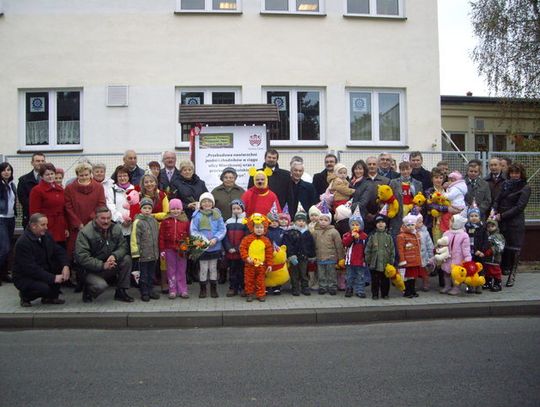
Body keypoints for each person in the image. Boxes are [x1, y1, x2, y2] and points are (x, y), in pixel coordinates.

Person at [75, 207, 134, 303]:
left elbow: (123, 246)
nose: (106, 221)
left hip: (109, 263)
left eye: (108, 218)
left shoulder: (116, 228)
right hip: (90, 270)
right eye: (103, 218)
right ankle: (88, 290)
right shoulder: (85, 232)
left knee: (126, 259)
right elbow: (82, 257)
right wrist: (102, 265)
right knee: (101, 286)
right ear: (95, 218)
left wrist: (114, 256)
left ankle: (121, 291)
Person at [13, 213, 70, 307]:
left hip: (42, 270)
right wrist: (53, 278)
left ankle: (50, 298)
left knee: (60, 268)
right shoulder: (23, 243)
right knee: (43, 288)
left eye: (46, 224)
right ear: (33, 226)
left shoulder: (46, 236)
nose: (46, 227)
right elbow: (30, 269)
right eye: (43, 225)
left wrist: (65, 266)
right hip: (25, 277)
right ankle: (25, 296)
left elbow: (59, 251)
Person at [491, 163, 531, 287]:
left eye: (517, 173)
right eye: (512, 173)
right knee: (500, 248)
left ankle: (512, 276)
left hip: (514, 222)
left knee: (514, 250)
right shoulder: (505, 184)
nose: (514, 175)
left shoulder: (525, 187)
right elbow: (497, 199)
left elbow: (519, 207)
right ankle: (497, 275)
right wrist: (494, 209)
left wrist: (501, 215)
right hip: (501, 221)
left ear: (521, 174)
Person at [65, 162, 106, 263]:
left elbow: (101, 205)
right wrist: (78, 223)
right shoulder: (69, 188)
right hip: (75, 227)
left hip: (93, 224)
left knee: (94, 251)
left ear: (90, 174)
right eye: (81, 175)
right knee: (74, 252)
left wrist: (91, 221)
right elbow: (68, 207)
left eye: (86, 175)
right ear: (77, 175)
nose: (84, 177)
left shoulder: (98, 187)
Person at [190, 192, 226, 299]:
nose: (206, 203)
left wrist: (216, 239)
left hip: (215, 246)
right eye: (204, 201)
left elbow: (222, 229)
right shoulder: (197, 216)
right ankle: (203, 289)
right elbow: (193, 231)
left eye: (209, 201)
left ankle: (213, 289)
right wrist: (204, 241)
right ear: (200, 203)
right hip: (202, 247)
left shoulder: (217, 215)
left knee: (213, 268)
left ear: (213, 203)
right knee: (203, 268)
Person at [29, 163, 68, 246]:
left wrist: (66, 227)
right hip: (46, 226)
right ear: (42, 176)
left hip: (60, 226)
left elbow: (64, 210)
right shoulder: (37, 190)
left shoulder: (60, 189)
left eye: (52, 174)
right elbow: (34, 212)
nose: (50, 176)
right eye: (47, 174)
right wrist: (39, 228)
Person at [159, 198, 190, 299]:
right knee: (171, 270)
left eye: (178, 208)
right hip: (169, 249)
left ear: (181, 209)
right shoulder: (166, 221)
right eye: (173, 209)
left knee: (181, 269)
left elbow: (188, 235)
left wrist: (188, 247)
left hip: (182, 249)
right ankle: (172, 290)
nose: (175, 211)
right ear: (169, 210)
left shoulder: (185, 221)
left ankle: (183, 289)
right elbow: (161, 236)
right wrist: (162, 250)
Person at [131, 198, 160, 302]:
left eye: (149, 208)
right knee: (143, 275)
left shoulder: (154, 221)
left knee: (151, 274)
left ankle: (151, 290)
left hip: (153, 253)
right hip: (143, 254)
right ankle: (144, 292)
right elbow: (134, 238)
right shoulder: (138, 222)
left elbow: (156, 237)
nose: (147, 210)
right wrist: (136, 253)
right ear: (141, 209)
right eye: (145, 208)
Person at [239, 213, 274, 302]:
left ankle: (261, 294)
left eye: (261, 228)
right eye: (257, 227)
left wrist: (269, 264)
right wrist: (246, 258)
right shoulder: (247, 239)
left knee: (261, 280)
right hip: (249, 264)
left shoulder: (266, 241)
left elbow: (269, 253)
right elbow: (242, 248)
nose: (259, 230)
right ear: (252, 228)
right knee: (249, 280)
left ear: (264, 229)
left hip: (262, 265)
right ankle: (249, 293)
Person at [311, 206, 345, 295]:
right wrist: (313, 255)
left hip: (331, 257)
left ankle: (332, 286)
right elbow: (313, 244)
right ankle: (322, 286)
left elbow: (339, 245)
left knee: (331, 273)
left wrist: (341, 258)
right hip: (320, 257)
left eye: (325, 220)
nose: (323, 222)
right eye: (321, 219)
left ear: (329, 221)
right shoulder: (315, 232)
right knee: (321, 273)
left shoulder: (334, 232)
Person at [283, 208, 316, 297]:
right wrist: (290, 255)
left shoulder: (307, 233)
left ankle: (305, 287)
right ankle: (295, 288)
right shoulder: (290, 232)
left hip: (304, 257)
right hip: (294, 257)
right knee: (294, 273)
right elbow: (287, 245)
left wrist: (312, 256)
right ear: (295, 221)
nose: (301, 222)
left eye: (303, 221)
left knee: (304, 273)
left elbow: (311, 245)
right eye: (299, 220)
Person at [388, 161, 423, 236]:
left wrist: (418, 207)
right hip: (398, 214)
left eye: (407, 169)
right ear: (400, 170)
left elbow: (420, 199)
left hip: (412, 213)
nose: (405, 172)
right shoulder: (393, 182)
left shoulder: (418, 183)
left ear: (411, 169)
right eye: (403, 170)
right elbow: (389, 198)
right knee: (397, 236)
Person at [440, 214, 471, 295]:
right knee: (446, 272)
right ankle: (447, 286)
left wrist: (467, 257)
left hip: (458, 258)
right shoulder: (447, 233)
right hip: (447, 257)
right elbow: (443, 244)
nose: (450, 222)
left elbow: (466, 248)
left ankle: (456, 287)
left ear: (458, 223)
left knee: (455, 274)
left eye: (452, 221)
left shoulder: (464, 235)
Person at [365, 214, 394, 300]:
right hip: (374, 263)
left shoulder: (388, 237)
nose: (380, 224)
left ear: (385, 224)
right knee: (375, 281)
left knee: (385, 280)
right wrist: (368, 260)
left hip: (386, 263)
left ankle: (385, 294)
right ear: (375, 224)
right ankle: (375, 294)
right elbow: (368, 249)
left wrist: (391, 261)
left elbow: (392, 250)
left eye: (382, 222)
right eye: (378, 222)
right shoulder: (372, 236)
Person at [223, 199, 248, 297]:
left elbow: (246, 238)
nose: (236, 210)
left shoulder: (246, 221)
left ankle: (243, 287)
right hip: (230, 252)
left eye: (238, 208)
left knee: (242, 271)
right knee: (232, 271)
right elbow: (225, 237)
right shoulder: (228, 222)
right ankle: (232, 288)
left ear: (242, 209)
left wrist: (237, 248)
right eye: (234, 209)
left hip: (241, 252)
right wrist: (228, 247)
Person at [342, 210, 369, 298]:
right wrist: (352, 237)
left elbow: (366, 247)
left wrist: (366, 258)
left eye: (357, 224)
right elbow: (345, 243)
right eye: (353, 225)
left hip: (360, 260)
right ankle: (349, 289)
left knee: (360, 276)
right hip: (350, 260)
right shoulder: (347, 234)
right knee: (349, 276)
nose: (355, 226)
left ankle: (360, 290)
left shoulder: (364, 236)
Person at [106, 165, 134, 243]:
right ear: (116, 177)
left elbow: (137, 207)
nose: (122, 178)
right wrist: (122, 220)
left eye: (125, 175)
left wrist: (130, 219)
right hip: (117, 228)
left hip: (132, 228)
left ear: (129, 176)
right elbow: (111, 208)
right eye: (120, 176)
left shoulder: (134, 190)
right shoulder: (111, 191)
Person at [397, 213, 423, 299]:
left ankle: (412, 290)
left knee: (413, 277)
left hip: (415, 260)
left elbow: (419, 248)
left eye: (412, 225)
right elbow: (400, 249)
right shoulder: (402, 236)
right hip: (407, 261)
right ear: (404, 225)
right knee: (407, 277)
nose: (411, 226)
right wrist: (402, 260)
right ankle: (407, 291)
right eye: (408, 225)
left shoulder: (417, 235)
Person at [17, 152, 46, 229]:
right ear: (32, 163)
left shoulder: (50, 179)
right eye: (38, 161)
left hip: (47, 218)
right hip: (30, 218)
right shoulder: (23, 180)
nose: (40, 163)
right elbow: (23, 200)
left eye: (42, 161)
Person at [465, 205, 488, 294]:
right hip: (471, 253)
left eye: (476, 216)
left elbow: (486, 241)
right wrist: (475, 250)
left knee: (480, 269)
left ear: (479, 217)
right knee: (470, 269)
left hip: (480, 253)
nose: (474, 218)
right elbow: (468, 242)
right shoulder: (467, 228)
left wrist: (482, 251)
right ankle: (470, 286)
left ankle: (479, 285)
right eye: (471, 216)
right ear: (468, 217)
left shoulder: (482, 228)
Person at [350, 160, 378, 232]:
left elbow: (363, 202)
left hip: (362, 217)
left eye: (360, 169)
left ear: (364, 170)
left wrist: (349, 208)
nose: (358, 171)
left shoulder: (368, 183)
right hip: (349, 217)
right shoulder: (351, 182)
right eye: (356, 169)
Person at [0, 162, 17, 284]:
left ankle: (5, 273)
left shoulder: (12, 185)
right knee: (4, 248)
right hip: (1, 218)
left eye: (9, 170)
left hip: (11, 218)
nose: (6, 172)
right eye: (4, 170)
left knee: (8, 247)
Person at [483, 219, 505, 292]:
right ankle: (488, 282)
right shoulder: (487, 235)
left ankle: (497, 283)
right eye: (488, 226)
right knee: (487, 270)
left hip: (495, 258)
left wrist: (491, 250)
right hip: (487, 258)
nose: (490, 228)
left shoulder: (498, 236)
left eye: (492, 226)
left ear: (496, 227)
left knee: (495, 270)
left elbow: (500, 246)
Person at [416, 214, 434, 292]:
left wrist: (431, 255)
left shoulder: (425, 232)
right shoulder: (410, 232)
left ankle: (426, 283)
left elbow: (429, 244)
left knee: (425, 271)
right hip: (415, 256)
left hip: (424, 256)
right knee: (415, 271)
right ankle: (415, 284)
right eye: (419, 222)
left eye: (421, 222)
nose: (421, 223)